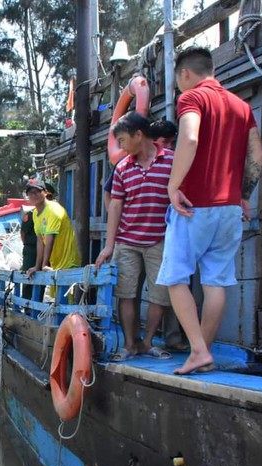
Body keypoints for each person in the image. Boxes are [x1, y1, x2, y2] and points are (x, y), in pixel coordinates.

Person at [156, 46, 262, 375]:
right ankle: (202, 353)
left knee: (176, 278)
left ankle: (198, 350)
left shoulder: (192, 98)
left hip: (194, 206)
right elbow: (257, 156)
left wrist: (173, 187)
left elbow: (188, 138)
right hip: (230, 208)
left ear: (185, 74)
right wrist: (243, 194)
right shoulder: (242, 106)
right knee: (216, 280)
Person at [95, 112, 174, 361]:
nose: (121, 146)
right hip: (127, 242)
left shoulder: (172, 161)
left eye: (122, 140)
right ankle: (130, 344)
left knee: (159, 295)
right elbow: (116, 206)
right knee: (125, 293)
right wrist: (109, 246)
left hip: (160, 240)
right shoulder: (122, 168)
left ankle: (148, 342)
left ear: (138, 135)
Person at [25, 179, 80, 281]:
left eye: (37, 191)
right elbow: (40, 240)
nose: (34, 195)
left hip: (68, 263)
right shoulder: (35, 214)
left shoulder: (53, 210)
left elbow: (50, 239)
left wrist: (44, 264)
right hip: (55, 264)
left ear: (45, 192)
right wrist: (37, 266)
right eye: (30, 192)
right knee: (58, 296)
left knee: (68, 295)